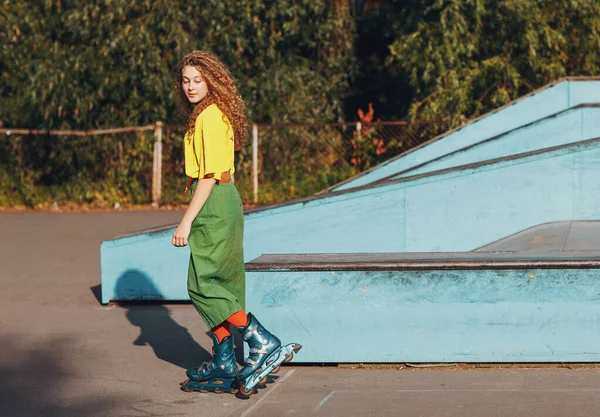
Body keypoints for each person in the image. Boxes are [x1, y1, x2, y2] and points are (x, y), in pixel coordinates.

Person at [172, 51, 298, 396]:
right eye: (185, 80)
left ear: (212, 81)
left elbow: (209, 175)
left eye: (198, 79)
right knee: (224, 282)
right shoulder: (211, 113)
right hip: (225, 198)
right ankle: (225, 359)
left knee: (201, 283)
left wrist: (185, 222)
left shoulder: (209, 117)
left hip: (213, 199)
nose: (190, 86)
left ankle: (261, 340)